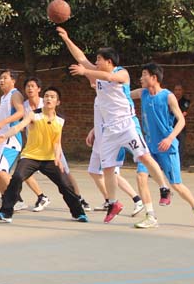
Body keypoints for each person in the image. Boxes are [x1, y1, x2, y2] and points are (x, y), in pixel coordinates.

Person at [57, 27, 170, 228]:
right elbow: (80, 56)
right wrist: (67, 38)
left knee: (144, 157)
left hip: (127, 124)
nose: (96, 62)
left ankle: (163, 188)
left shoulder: (121, 73)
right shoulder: (98, 74)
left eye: (99, 59)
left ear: (109, 61)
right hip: (109, 130)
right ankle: (113, 203)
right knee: (107, 167)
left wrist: (86, 72)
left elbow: (109, 78)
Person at [0, 87, 87, 223]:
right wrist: (4, 136)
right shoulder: (33, 114)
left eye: (52, 97)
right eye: (47, 96)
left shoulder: (60, 120)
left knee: (66, 184)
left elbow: (57, 142)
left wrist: (58, 158)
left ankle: (78, 213)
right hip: (30, 156)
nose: (49, 98)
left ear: (58, 102)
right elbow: (19, 126)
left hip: (49, 159)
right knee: (17, 177)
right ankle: (6, 212)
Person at [131, 63, 194, 228]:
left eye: (144, 74)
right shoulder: (142, 93)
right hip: (149, 146)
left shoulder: (168, 96)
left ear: (154, 77)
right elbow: (122, 95)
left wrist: (169, 138)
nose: (141, 78)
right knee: (141, 176)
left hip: (167, 146)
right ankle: (150, 215)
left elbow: (181, 120)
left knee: (177, 185)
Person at [21, 76, 92, 213]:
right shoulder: (24, 106)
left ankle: (78, 198)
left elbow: (57, 124)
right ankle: (41, 197)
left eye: (33, 86)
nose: (30, 89)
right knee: (23, 172)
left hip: (51, 147)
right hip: (34, 148)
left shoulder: (47, 101)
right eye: (27, 86)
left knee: (65, 173)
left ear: (39, 89)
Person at [0, 70, 46, 212]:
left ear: (13, 80)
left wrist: (4, 123)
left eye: (5, 78)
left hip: (11, 139)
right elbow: (3, 117)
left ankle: (17, 200)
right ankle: (6, 198)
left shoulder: (15, 94)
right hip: (1, 139)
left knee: (1, 171)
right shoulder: (4, 97)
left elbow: (20, 112)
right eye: (0, 78)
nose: (1, 80)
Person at [84, 129, 146, 217]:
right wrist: (93, 130)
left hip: (112, 142)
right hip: (100, 141)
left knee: (113, 175)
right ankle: (108, 201)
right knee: (94, 171)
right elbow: (102, 118)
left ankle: (137, 200)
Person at [172, 82, 190, 153]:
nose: (177, 92)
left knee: (180, 147)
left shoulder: (185, 102)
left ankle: (180, 163)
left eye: (179, 90)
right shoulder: (171, 101)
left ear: (182, 91)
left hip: (180, 128)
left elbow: (183, 113)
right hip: (171, 127)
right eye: (176, 90)